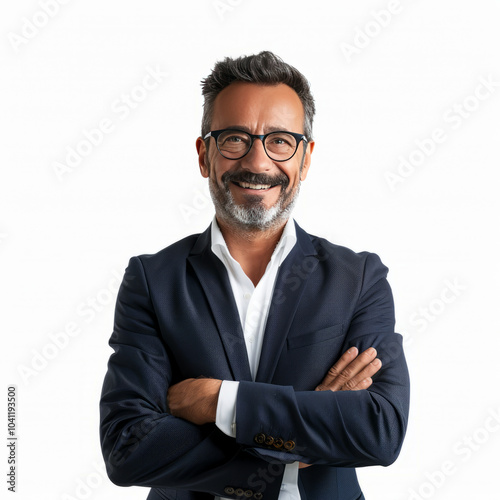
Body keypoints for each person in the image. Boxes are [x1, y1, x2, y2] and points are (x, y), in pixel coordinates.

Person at [99, 51, 410, 500]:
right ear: (205, 155)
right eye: (234, 139)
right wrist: (300, 438)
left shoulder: (359, 278)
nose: (258, 161)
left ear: (305, 159)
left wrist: (217, 401)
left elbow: (380, 430)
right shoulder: (152, 279)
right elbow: (127, 447)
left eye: (280, 141)